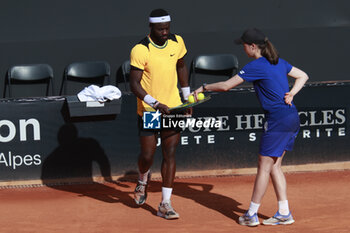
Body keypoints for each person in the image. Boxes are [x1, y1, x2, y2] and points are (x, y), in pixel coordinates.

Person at [193, 28, 309, 226]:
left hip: (278, 120)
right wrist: (292, 94)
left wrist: (203, 87)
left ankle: (251, 214)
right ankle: (284, 212)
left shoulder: (256, 66)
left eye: (244, 45)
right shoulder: (279, 62)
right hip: (291, 117)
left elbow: (227, 85)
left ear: (252, 47)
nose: (243, 48)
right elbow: (303, 76)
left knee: (264, 167)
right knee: (275, 166)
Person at [129, 8, 190, 220]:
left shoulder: (177, 42)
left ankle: (165, 203)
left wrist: (187, 97)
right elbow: (134, 84)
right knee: (147, 155)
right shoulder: (140, 49)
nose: (164, 32)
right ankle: (142, 180)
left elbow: (181, 67)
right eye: (160, 29)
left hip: (173, 107)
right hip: (150, 110)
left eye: (167, 28)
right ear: (151, 27)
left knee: (169, 153)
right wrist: (155, 103)